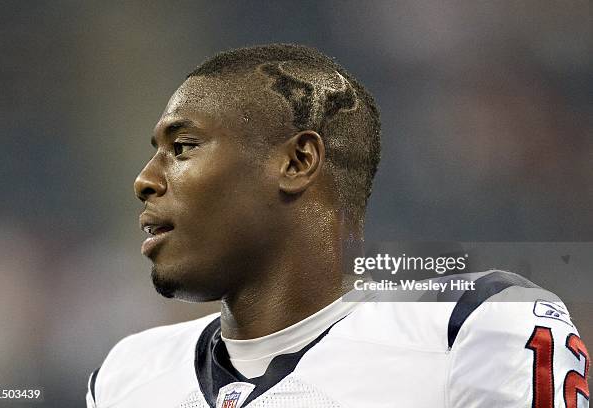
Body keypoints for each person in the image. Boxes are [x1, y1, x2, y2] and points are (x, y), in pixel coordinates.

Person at [86, 44, 589, 407]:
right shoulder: (127, 373)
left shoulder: (472, 326)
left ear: (298, 160)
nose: (145, 180)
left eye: (184, 148)